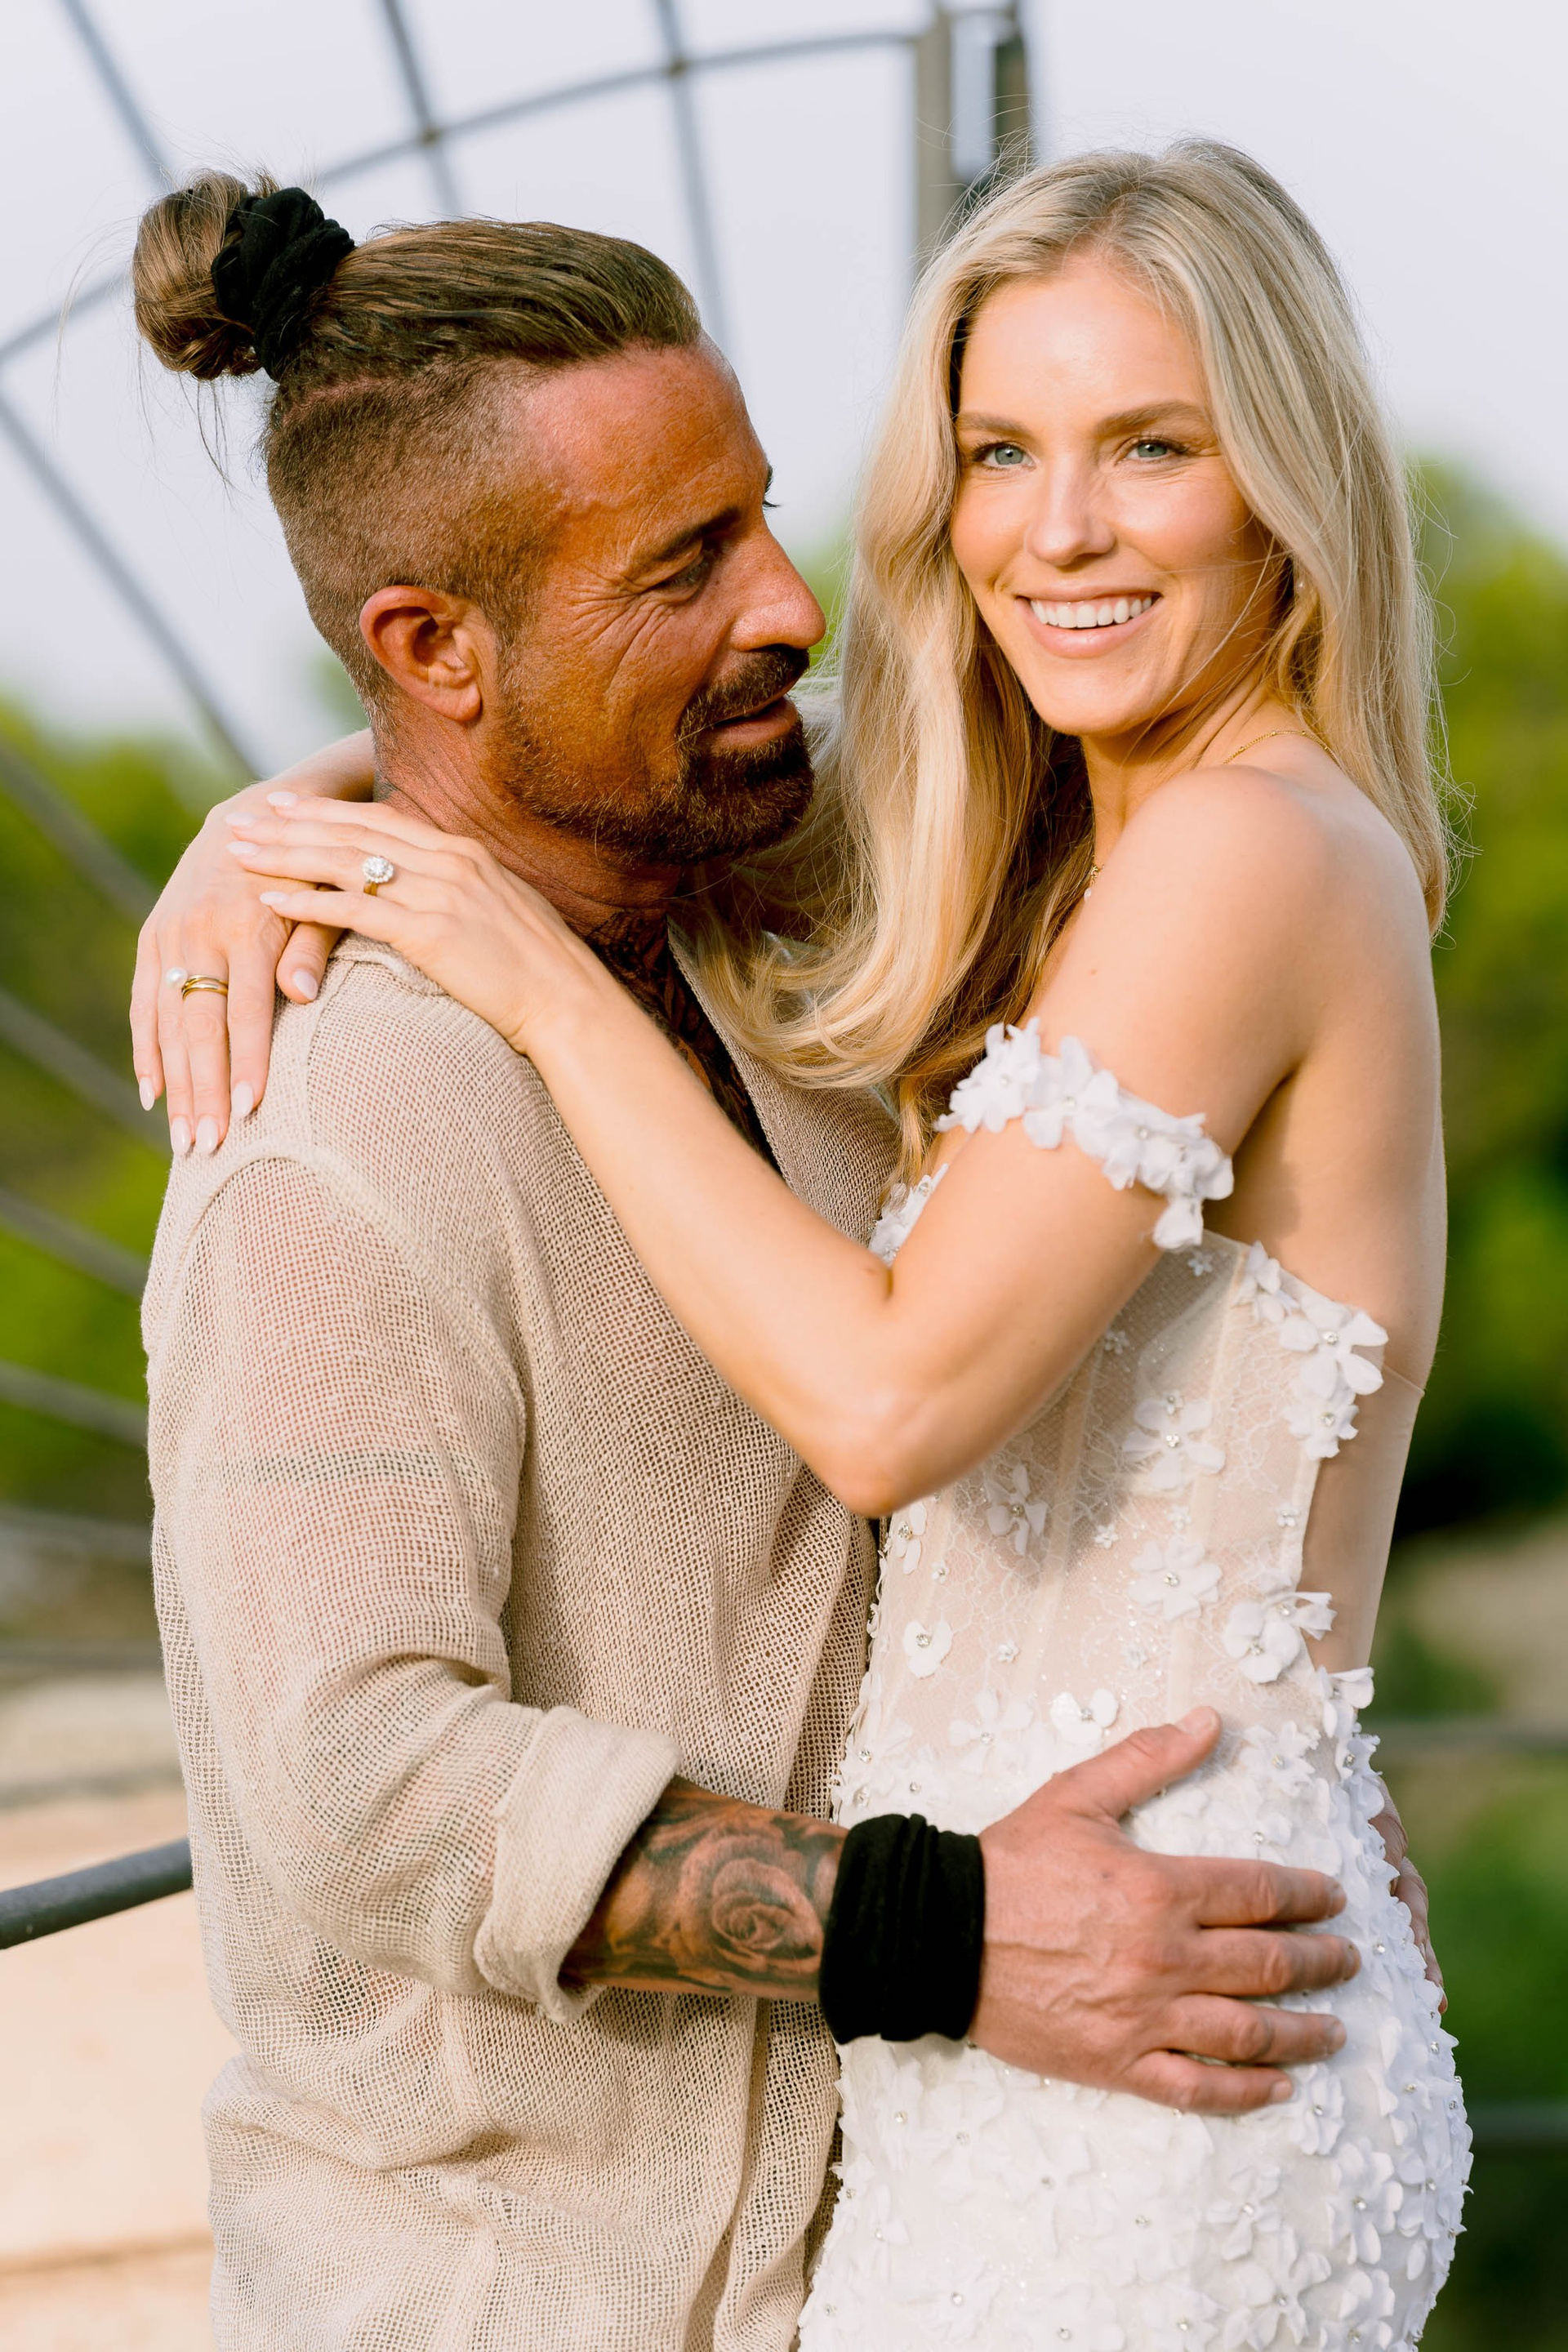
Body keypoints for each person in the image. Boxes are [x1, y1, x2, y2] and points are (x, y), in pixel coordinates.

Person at [205, 145, 1471, 2346]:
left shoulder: (1213, 860)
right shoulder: (1033, 856)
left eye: (1152, 446)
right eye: (999, 452)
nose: (1056, 530)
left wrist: (512, 957)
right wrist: (294, 823)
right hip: (969, 2068)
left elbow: (889, 1400)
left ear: (1285, 479)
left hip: (1138, 2045)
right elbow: (348, 1776)